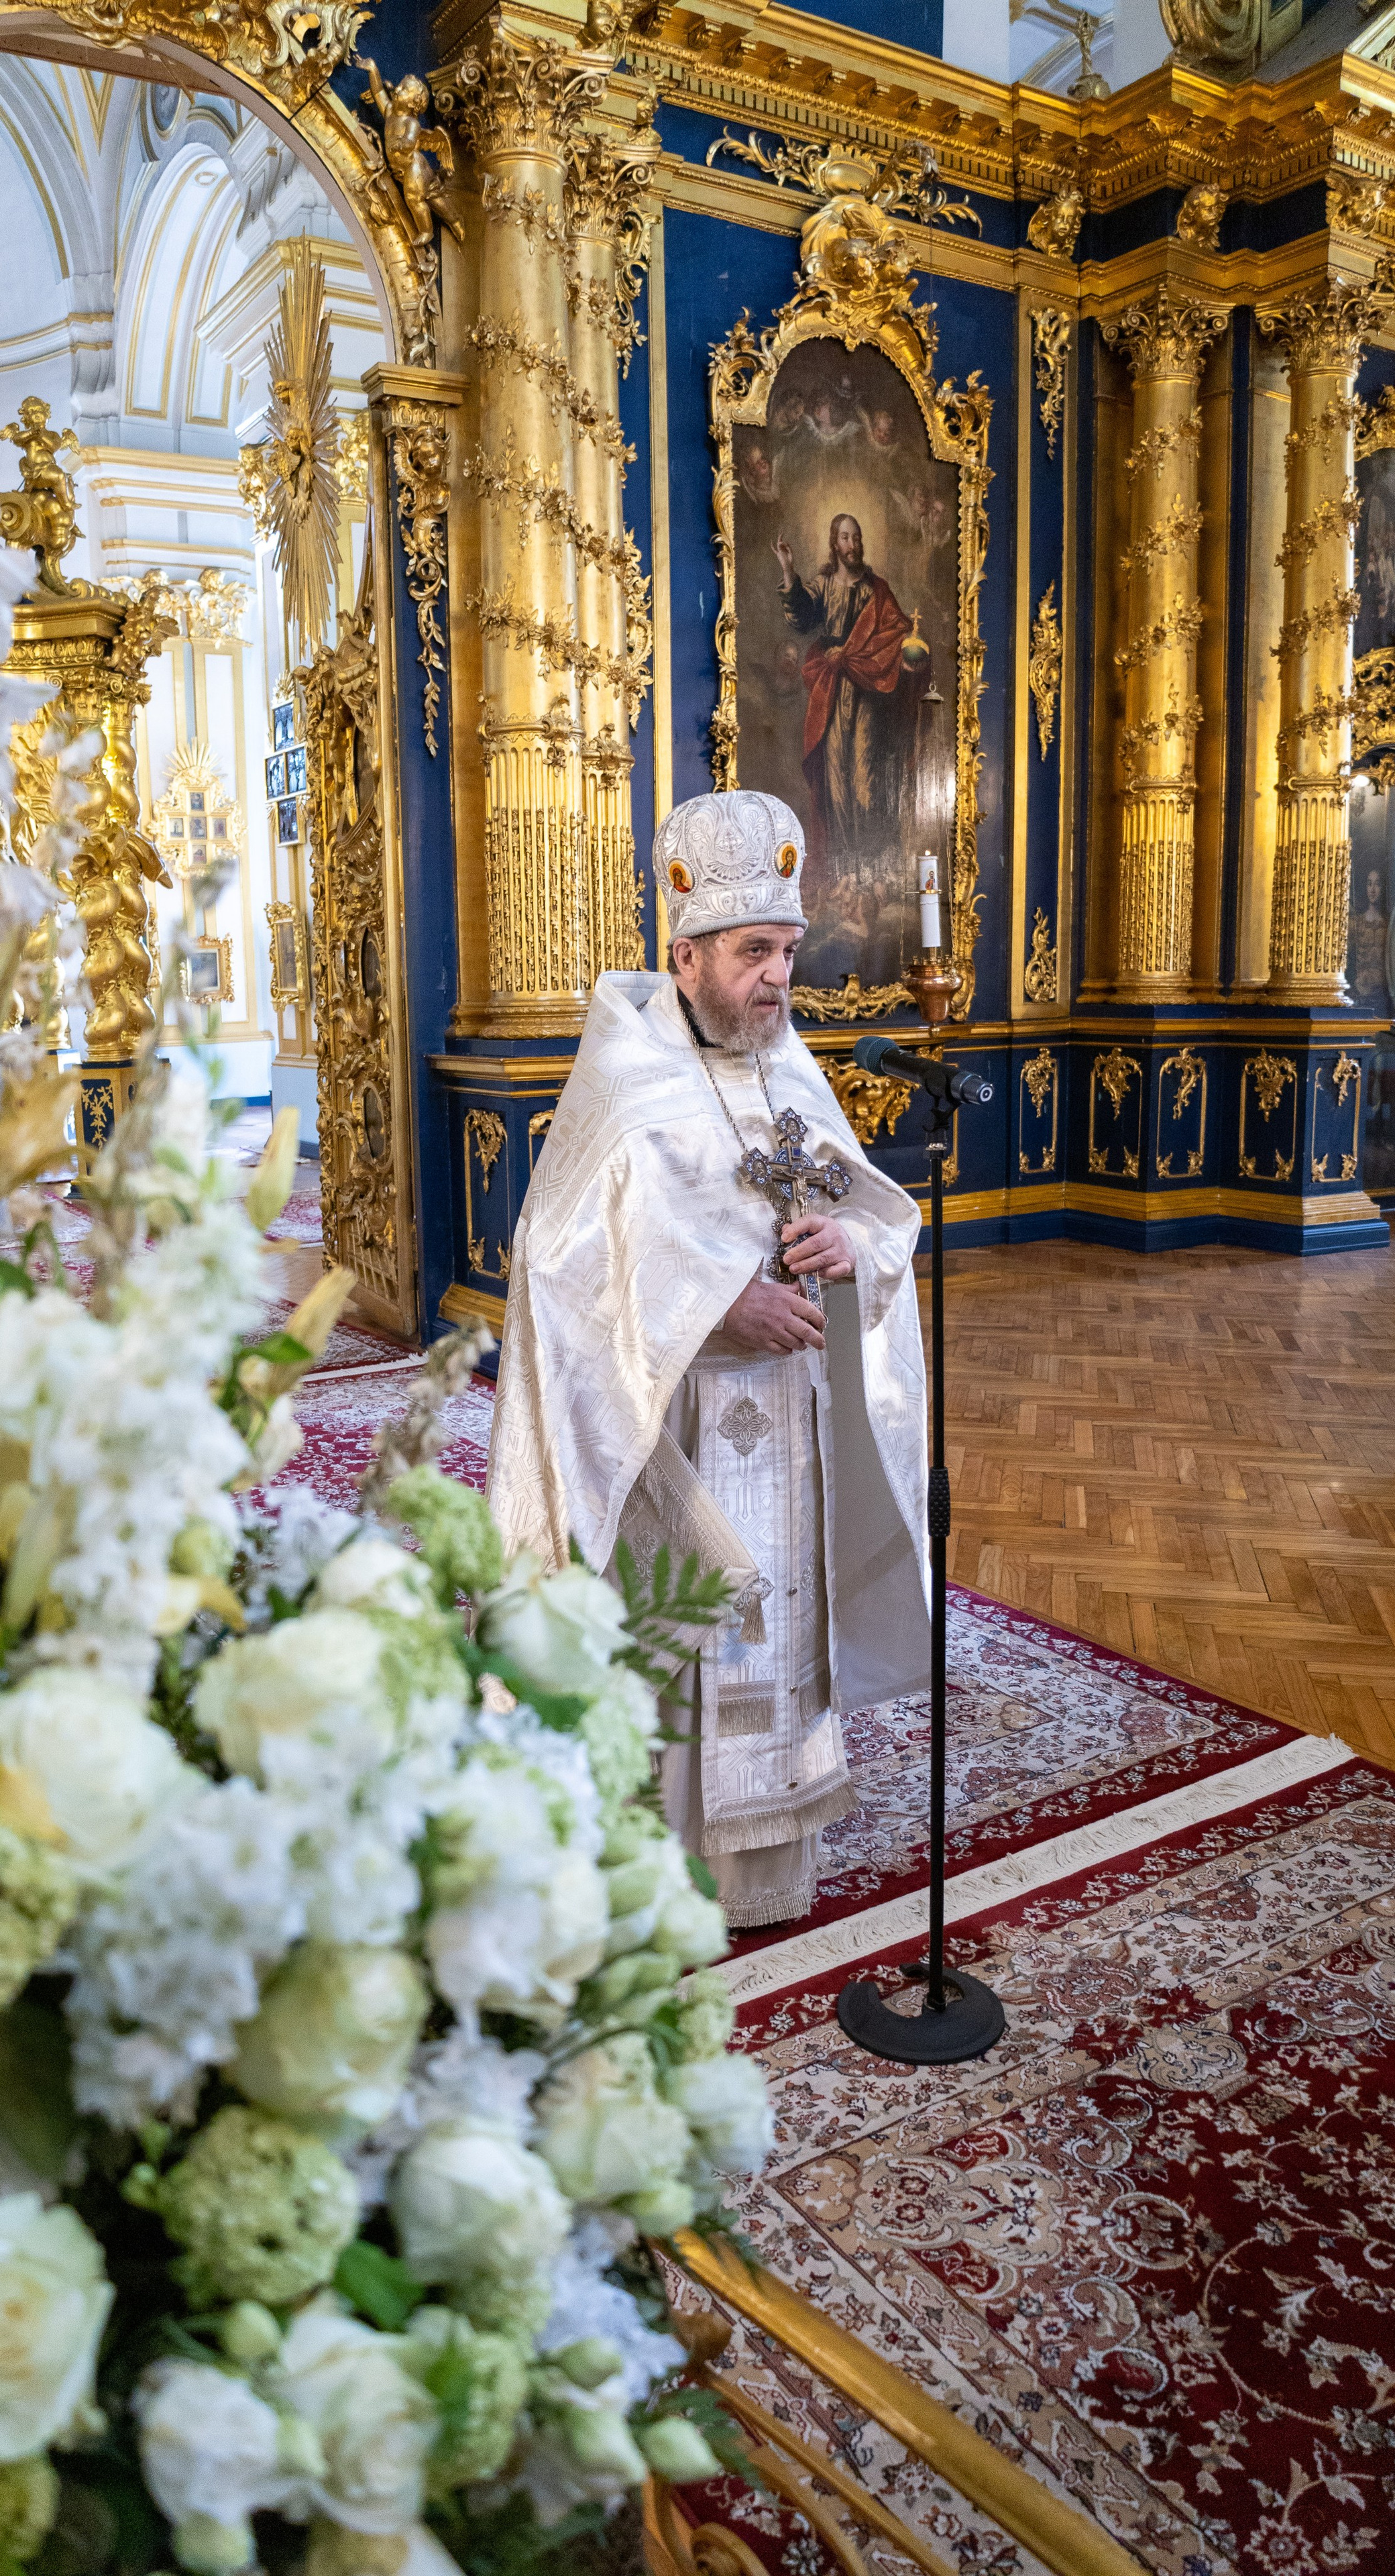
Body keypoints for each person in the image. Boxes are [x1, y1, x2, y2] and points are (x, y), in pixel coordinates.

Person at [487, 792, 930, 1929]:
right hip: (674, 1425)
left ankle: (767, 1864)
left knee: (782, 1619)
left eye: (787, 950)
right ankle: (668, 1864)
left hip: (791, 1412)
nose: (779, 979)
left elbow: (870, 1207)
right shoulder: (627, 1077)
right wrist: (716, 1302)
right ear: (686, 957)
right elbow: (557, 1263)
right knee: (697, 1626)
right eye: (753, 954)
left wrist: (854, 1246)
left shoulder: (786, 1067)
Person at [773, 513, 931, 869]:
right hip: (831, 687)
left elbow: (900, 631)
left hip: (867, 689)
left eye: (856, 538)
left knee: (864, 774)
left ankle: (867, 864)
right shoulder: (823, 585)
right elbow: (801, 617)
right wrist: (788, 569)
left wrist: (908, 653)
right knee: (834, 777)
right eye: (845, 538)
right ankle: (843, 867)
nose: (852, 545)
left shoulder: (876, 590)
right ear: (835, 543)